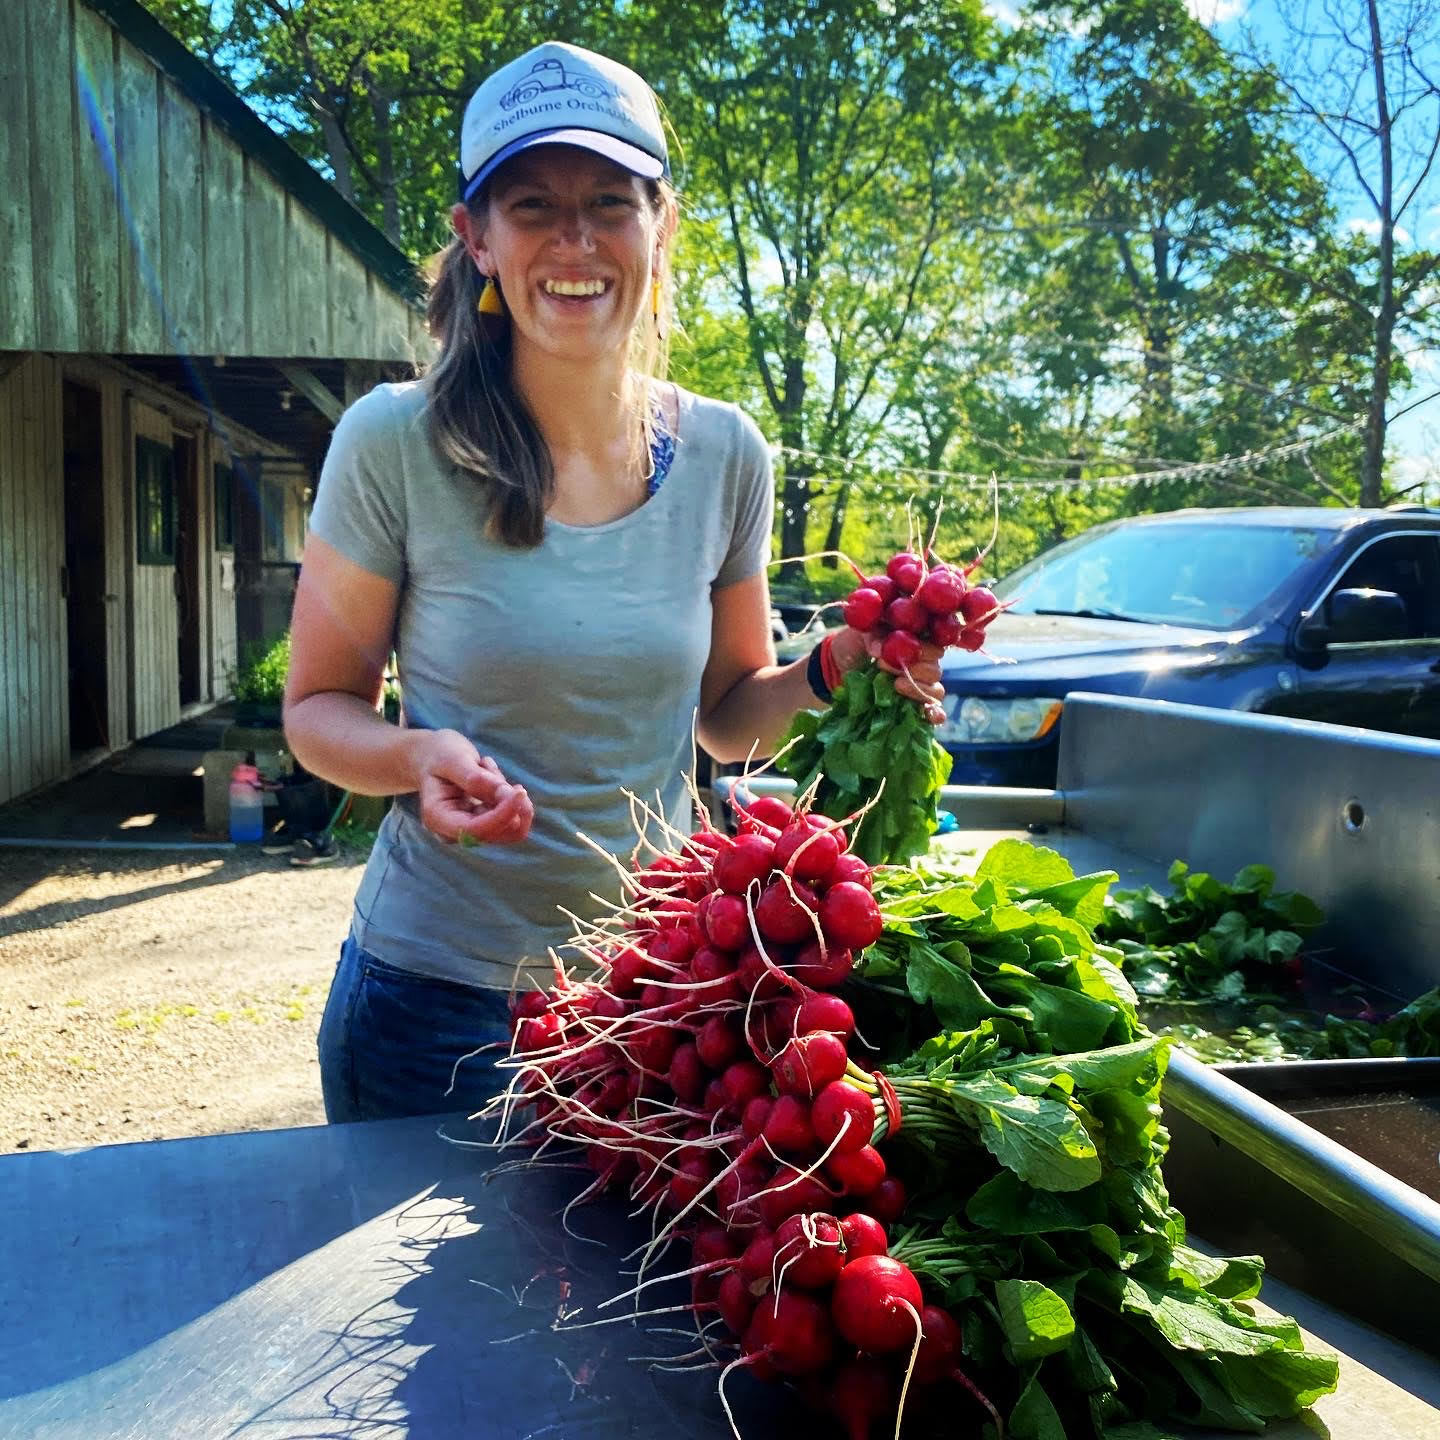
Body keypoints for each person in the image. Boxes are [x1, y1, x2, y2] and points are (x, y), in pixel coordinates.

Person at [283, 40, 945, 1125]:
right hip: (432, 1011)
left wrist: (838, 666)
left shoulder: (729, 453)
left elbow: (729, 724)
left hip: (651, 1002)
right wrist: (415, 756)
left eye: (610, 201)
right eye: (533, 204)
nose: (576, 240)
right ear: (478, 239)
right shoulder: (393, 441)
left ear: (662, 224)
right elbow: (315, 713)